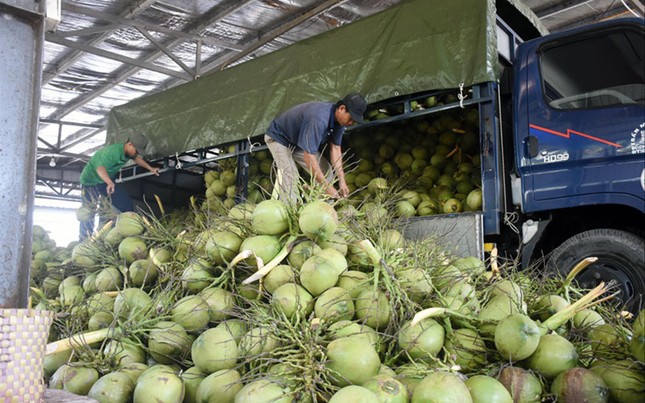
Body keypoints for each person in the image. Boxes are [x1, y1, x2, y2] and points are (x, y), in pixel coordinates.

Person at [265, 92, 367, 201]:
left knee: (326, 170)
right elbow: (309, 157)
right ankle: (289, 213)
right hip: (279, 138)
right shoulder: (319, 119)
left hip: (297, 141)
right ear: (342, 108)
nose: (351, 122)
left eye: (354, 121)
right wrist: (327, 187)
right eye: (350, 118)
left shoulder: (339, 122)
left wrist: (342, 179)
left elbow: (336, 149)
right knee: (290, 177)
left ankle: (323, 209)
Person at [79, 133, 159, 240]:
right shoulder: (112, 152)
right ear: (130, 144)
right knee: (89, 212)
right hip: (90, 181)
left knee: (125, 202)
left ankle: (131, 230)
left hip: (105, 180)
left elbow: (137, 159)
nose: (137, 153)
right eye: (137, 150)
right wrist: (109, 182)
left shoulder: (128, 153)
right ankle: (84, 240)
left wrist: (151, 168)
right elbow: (100, 169)